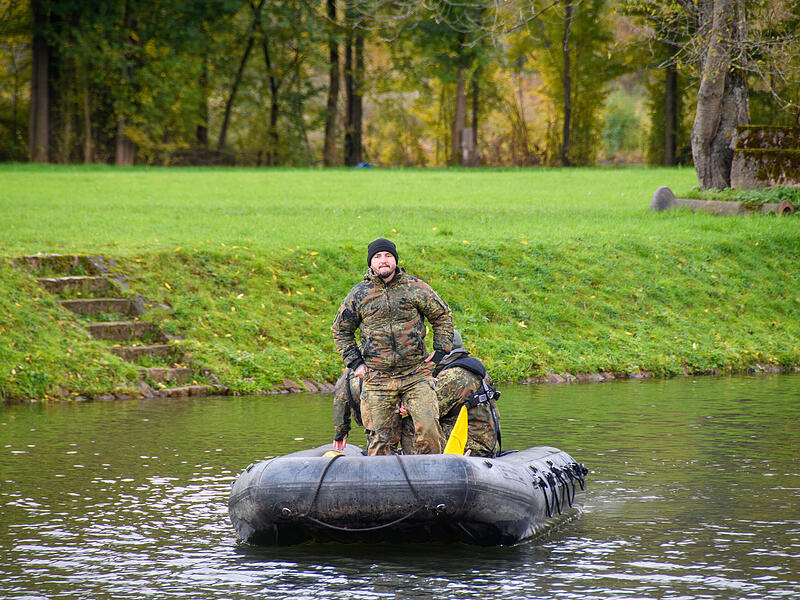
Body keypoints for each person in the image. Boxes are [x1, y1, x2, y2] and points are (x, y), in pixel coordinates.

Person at [331, 238, 453, 455]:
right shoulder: (359, 294)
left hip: (416, 374)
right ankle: (382, 474)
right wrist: (355, 363)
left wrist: (441, 351)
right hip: (377, 378)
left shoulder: (416, 288)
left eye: (388, 256)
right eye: (377, 257)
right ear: (371, 263)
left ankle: (432, 471)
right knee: (380, 440)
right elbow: (341, 330)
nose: (383, 261)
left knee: (429, 431)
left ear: (395, 259)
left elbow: (442, 315)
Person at [333, 330, 502, 457]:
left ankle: (418, 465)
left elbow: (424, 407)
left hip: (473, 444)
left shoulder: (453, 376)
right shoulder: (470, 368)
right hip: (483, 438)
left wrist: (403, 404)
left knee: (412, 425)